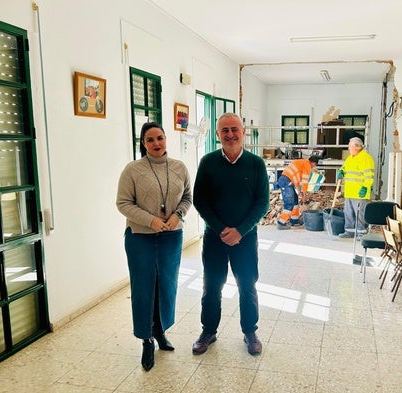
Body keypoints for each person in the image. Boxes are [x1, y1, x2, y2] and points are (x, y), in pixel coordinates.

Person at [116, 122, 192, 371]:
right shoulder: (133, 170)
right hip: (141, 237)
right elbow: (123, 203)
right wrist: (151, 221)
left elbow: (188, 196)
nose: (157, 143)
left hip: (171, 236)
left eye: (160, 138)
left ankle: (160, 332)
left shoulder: (179, 168)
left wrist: (177, 215)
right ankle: (146, 340)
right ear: (143, 144)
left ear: (166, 139)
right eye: (150, 140)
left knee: (166, 286)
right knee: (144, 289)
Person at [192, 113, 269, 356]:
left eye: (234, 129)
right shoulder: (208, 162)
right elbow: (200, 200)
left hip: (245, 239)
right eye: (224, 130)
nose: (230, 134)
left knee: (247, 285)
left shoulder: (256, 164)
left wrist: (240, 231)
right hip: (215, 238)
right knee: (211, 286)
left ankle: (250, 332)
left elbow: (262, 203)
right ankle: (208, 331)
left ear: (243, 131)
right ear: (217, 135)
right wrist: (221, 229)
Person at [336, 137, 375, 239]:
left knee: (360, 213)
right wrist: (341, 171)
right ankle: (349, 231)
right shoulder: (351, 157)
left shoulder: (365, 158)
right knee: (348, 213)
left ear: (357, 147)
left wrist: (366, 187)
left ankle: (361, 233)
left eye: (350, 146)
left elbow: (369, 176)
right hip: (349, 191)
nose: (348, 148)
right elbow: (344, 167)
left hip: (359, 192)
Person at [276, 156, 320, 229]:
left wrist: (300, 192)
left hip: (286, 180)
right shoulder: (307, 165)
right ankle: (281, 223)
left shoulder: (301, 162)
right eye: (314, 165)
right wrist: (305, 195)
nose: (313, 167)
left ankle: (294, 220)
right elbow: (305, 181)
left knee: (295, 199)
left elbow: (296, 179)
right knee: (289, 203)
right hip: (286, 181)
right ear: (314, 163)